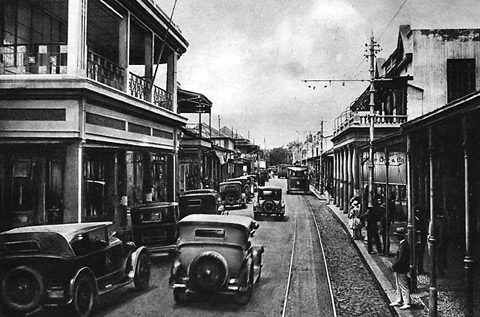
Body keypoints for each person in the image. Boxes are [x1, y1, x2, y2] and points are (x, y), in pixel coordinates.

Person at [390, 227, 412, 310]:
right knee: (398, 284)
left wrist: (394, 266)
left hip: (402, 268)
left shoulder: (404, 245)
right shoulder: (402, 244)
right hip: (400, 268)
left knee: (403, 285)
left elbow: (401, 258)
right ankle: (399, 299)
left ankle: (407, 302)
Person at [414, 206, 428, 275]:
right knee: (415, 255)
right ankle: (415, 269)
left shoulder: (422, 220)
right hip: (416, 241)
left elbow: (425, 229)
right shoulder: (413, 221)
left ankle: (420, 269)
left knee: (421, 255)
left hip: (422, 240)